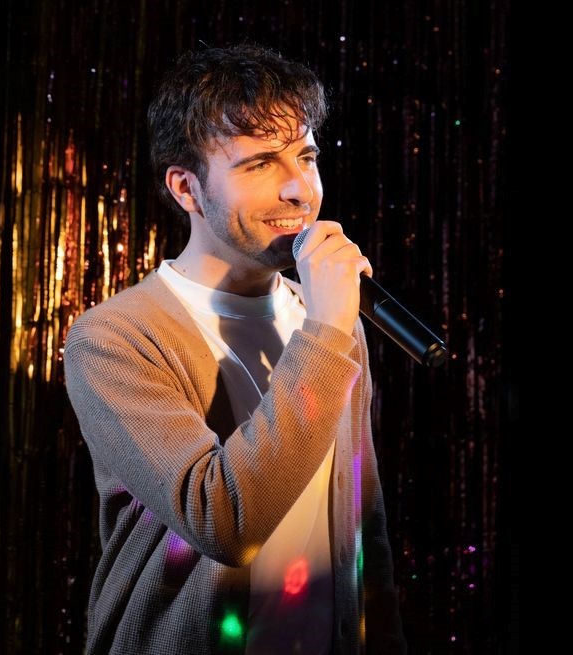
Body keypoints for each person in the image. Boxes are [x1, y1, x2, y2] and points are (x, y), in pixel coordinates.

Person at [64, 43, 406, 654]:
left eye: (306, 157)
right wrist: (327, 328)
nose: (299, 188)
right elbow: (224, 523)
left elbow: (363, 520)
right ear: (187, 189)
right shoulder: (115, 337)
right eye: (260, 165)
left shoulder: (329, 318)